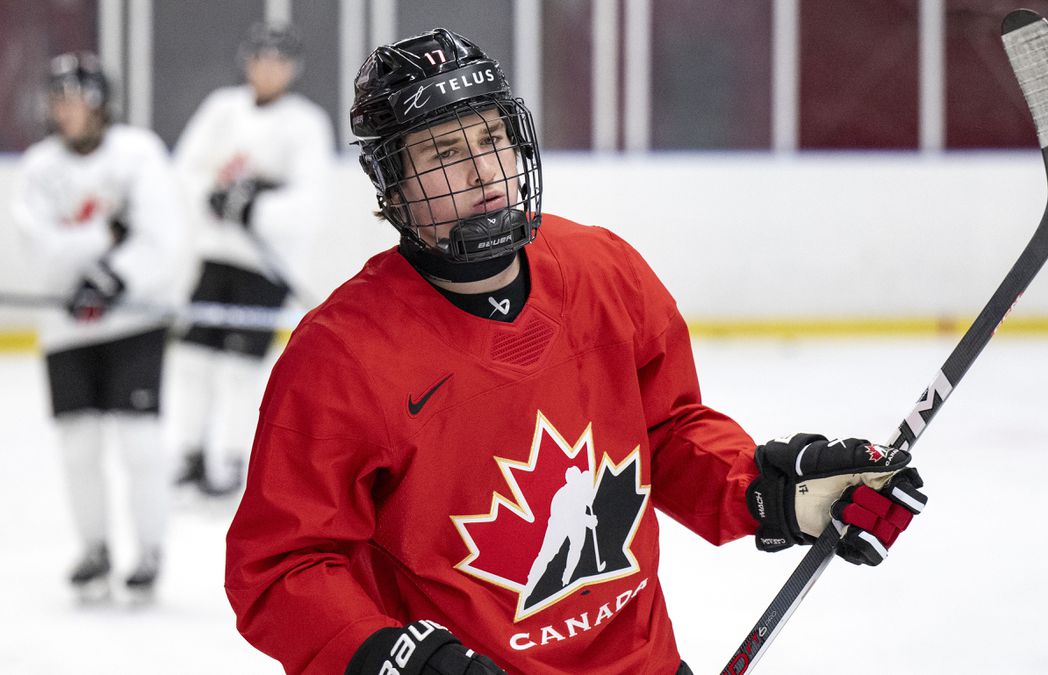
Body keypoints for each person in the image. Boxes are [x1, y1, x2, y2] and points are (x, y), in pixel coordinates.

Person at [225, 29, 928, 675]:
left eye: (493, 139)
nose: (483, 172)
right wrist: (390, 655)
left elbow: (669, 431)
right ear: (391, 186)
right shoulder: (339, 355)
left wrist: (768, 490)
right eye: (444, 154)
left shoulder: (602, 269)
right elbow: (281, 564)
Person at [11, 52, 186, 600]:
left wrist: (113, 280)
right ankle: (94, 548)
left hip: (132, 321)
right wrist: (106, 238)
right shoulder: (39, 167)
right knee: (78, 445)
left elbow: (161, 237)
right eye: (58, 99)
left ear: (101, 104)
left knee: (139, 442)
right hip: (65, 327)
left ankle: (150, 550)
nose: (66, 110)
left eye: (77, 99)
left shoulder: (138, 154)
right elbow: (38, 249)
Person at [169, 21, 335, 497]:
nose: (268, 70)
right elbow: (187, 167)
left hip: (266, 268)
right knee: (195, 357)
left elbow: (310, 204)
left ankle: (232, 456)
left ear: (292, 69)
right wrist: (213, 197)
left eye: (278, 62)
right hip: (217, 255)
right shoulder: (222, 108)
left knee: (242, 368)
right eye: (261, 59)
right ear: (248, 61)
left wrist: (254, 207)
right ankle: (188, 451)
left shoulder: (305, 123)